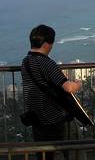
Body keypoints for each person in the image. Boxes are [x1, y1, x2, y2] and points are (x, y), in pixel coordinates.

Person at [21, 24, 82, 160]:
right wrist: (78, 84)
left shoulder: (26, 62)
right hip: (53, 117)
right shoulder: (47, 63)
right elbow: (68, 87)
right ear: (47, 44)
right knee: (59, 151)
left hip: (36, 116)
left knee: (42, 152)